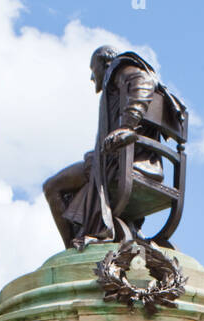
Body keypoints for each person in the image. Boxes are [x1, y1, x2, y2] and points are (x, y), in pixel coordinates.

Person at [43, 46, 163, 249]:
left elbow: (143, 81)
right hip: (121, 161)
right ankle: (85, 233)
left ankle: (72, 251)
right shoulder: (115, 80)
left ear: (105, 64)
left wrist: (128, 124)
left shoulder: (119, 68)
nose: (92, 76)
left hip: (120, 164)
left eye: (93, 68)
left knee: (52, 187)